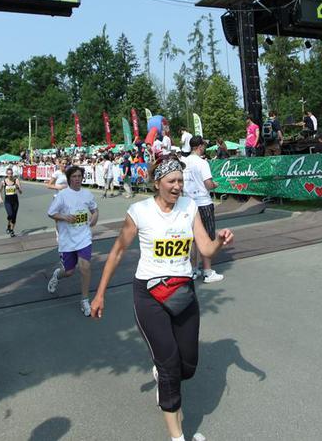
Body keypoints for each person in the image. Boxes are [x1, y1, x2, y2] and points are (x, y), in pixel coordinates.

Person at [90, 157, 235, 441]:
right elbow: (118, 251)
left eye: (180, 181)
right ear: (157, 183)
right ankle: (177, 436)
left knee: (187, 367)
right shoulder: (140, 211)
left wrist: (220, 240)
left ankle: (163, 374)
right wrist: (100, 293)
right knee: (170, 367)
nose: (178, 186)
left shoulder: (189, 207)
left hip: (182, 292)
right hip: (149, 295)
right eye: (171, 181)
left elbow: (206, 249)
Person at [46, 166, 99, 316]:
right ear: (69, 178)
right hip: (67, 239)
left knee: (85, 267)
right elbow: (51, 213)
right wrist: (64, 217)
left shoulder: (87, 194)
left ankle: (85, 300)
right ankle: (57, 275)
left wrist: (94, 217)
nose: (77, 179)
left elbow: (95, 210)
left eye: (79, 176)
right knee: (69, 272)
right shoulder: (62, 195)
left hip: (84, 238)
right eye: (74, 176)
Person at [183, 137, 224, 283]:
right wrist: (215, 185)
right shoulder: (202, 163)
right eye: (204, 146)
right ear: (200, 146)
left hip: (188, 204)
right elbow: (208, 184)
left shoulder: (183, 162)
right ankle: (207, 272)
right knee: (207, 237)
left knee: (193, 239)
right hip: (203, 203)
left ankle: (193, 270)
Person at [0, 167, 22, 237]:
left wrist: (18, 188)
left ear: (13, 174)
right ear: (6, 174)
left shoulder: (16, 180)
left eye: (11, 174)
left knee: (14, 217)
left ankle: (11, 230)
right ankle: (8, 225)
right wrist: (0, 198)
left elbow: (21, 192)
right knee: (10, 214)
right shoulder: (3, 182)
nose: (10, 175)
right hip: (7, 201)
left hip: (15, 201)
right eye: (8, 174)